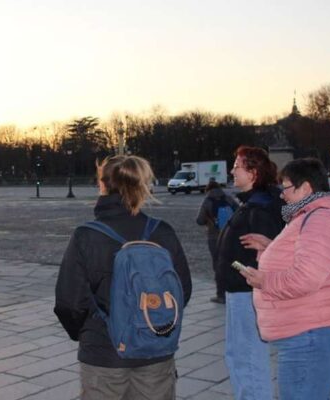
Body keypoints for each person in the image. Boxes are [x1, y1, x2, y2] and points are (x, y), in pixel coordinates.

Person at [54, 155, 192, 400]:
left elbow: (69, 301)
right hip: (155, 349)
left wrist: (87, 334)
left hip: (103, 354)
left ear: (102, 185)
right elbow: (183, 291)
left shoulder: (86, 236)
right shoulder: (162, 231)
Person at [239, 158, 330, 400]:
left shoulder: (321, 219)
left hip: (313, 332)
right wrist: (269, 249)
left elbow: (305, 278)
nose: (281, 195)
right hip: (310, 328)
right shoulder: (309, 215)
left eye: (285, 188)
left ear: (305, 188)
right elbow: (309, 260)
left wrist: (264, 281)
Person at [216, 145, 284, 400]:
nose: (232, 170)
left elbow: (272, 254)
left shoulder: (261, 208)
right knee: (238, 355)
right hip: (240, 291)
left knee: (248, 357)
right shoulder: (255, 203)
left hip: (248, 293)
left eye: (237, 166)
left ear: (253, 172)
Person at [196, 179, 238, 304]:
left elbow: (199, 220)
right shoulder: (228, 198)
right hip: (231, 235)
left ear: (208, 190)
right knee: (233, 262)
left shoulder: (208, 201)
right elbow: (240, 211)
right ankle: (234, 289)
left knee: (218, 264)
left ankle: (221, 294)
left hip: (215, 237)